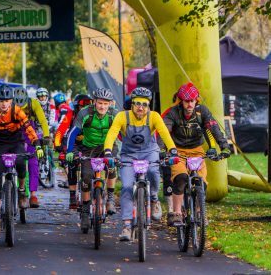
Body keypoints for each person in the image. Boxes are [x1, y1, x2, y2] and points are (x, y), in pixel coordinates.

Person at [103, 87, 177, 241]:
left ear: (149, 105)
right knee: (127, 187)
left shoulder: (154, 116)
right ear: (132, 104)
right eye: (137, 103)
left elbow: (164, 133)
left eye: (144, 104)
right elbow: (112, 133)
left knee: (153, 173)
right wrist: (108, 151)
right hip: (129, 155)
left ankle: (154, 198)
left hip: (149, 152)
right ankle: (127, 226)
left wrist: (173, 150)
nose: (140, 107)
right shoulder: (122, 116)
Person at [161, 83, 231, 226]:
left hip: (197, 150)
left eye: (192, 101)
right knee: (180, 178)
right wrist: (162, 150)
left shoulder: (202, 112)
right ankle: (176, 213)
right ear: (181, 101)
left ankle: (199, 212)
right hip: (177, 151)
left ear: (196, 101)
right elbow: (164, 132)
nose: (190, 105)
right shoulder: (173, 113)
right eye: (187, 101)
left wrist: (224, 147)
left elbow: (213, 128)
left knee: (201, 183)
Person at [0, 84, 44, 230]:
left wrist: (37, 144)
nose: (4, 104)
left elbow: (28, 128)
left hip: (15, 143)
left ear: (11, 101)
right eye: (1, 101)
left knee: (21, 163)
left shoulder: (17, 111)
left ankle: (21, 190)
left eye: (7, 101)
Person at [63, 88, 118, 216]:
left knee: (112, 167)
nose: (102, 106)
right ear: (94, 102)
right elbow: (73, 133)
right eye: (100, 103)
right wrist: (70, 151)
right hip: (88, 149)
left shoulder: (114, 114)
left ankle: (110, 199)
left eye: (105, 103)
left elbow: (124, 133)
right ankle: (86, 208)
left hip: (108, 147)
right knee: (86, 177)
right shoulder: (85, 113)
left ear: (110, 104)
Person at [13, 87, 49, 208]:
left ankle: (33, 194)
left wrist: (47, 136)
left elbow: (43, 120)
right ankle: (18, 189)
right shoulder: (10, 103)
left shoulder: (33, 103)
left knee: (33, 163)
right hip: (15, 131)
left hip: (30, 133)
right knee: (18, 161)